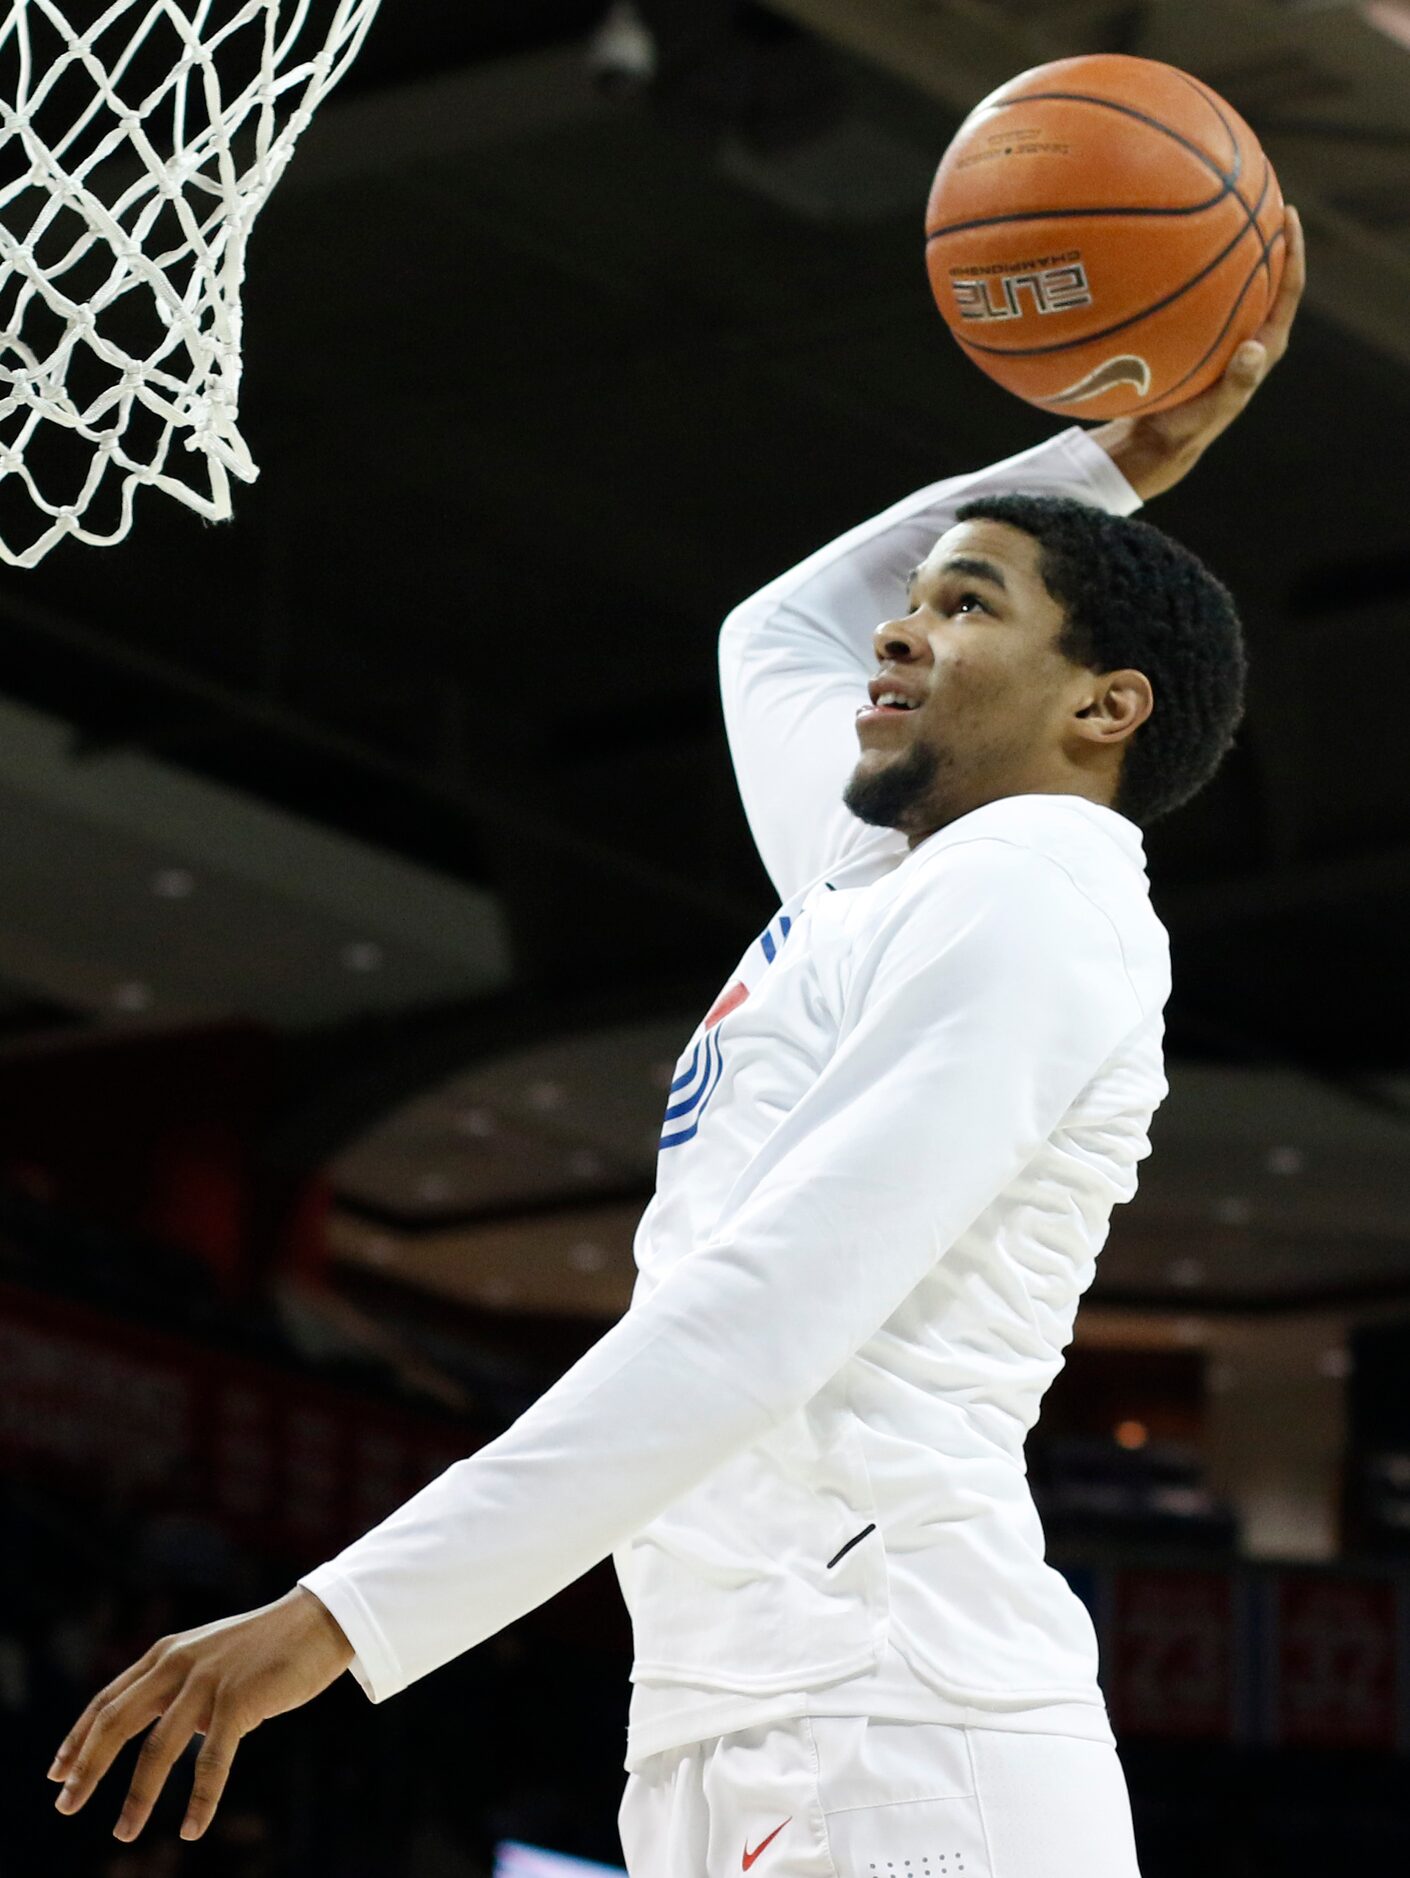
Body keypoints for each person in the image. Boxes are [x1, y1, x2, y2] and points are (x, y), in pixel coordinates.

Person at [48, 207, 1304, 1874]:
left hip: (897, 1725)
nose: (897, 627)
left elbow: (762, 1315)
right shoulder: (884, 875)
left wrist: (340, 1616)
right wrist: (1100, 465)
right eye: (914, 597)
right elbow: (772, 633)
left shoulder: (1040, 889)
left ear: (1104, 704)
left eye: (968, 605)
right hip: (754, 1713)